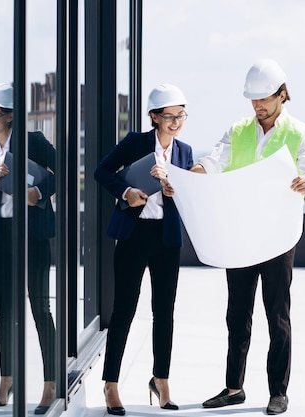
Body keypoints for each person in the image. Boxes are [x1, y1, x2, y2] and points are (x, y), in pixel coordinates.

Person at [163, 59, 305, 415]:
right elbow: (213, 162)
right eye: (253, 99)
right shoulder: (238, 130)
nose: (258, 105)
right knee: (237, 315)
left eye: (264, 98)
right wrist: (188, 177)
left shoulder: (297, 132)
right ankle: (234, 388)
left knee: (277, 317)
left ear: (282, 94)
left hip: (277, 238)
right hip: (238, 235)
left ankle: (277, 392)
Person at [94, 84, 193, 416]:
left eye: (180, 115)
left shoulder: (184, 152)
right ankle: (111, 384)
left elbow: (187, 197)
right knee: (124, 310)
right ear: (154, 117)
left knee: (164, 313)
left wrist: (172, 189)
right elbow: (101, 171)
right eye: (169, 116)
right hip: (134, 234)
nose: (176, 121)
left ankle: (161, 381)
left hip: (167, 238)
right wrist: (127, 192)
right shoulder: (135, 143)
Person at [0, 83, 57, 415]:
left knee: (40, 309)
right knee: (4, 312)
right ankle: (6, 381)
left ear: (11, 116)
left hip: (34, 234)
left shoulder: (35, 142)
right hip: (3, 235)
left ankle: (51, 384)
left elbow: (62, 173)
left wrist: (37, 193)